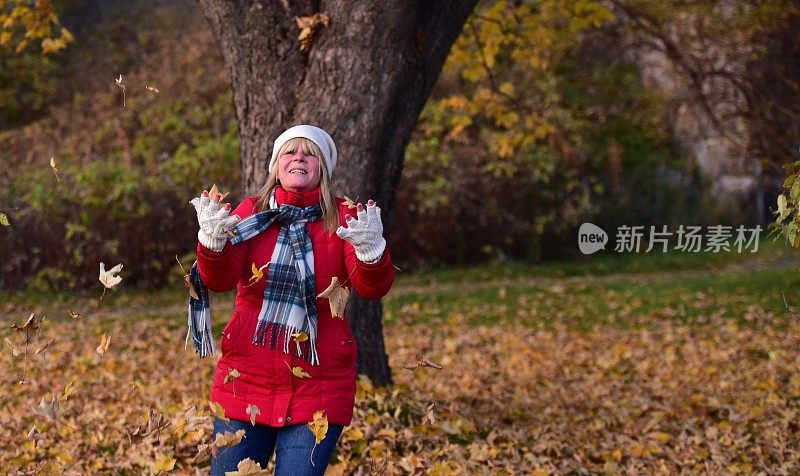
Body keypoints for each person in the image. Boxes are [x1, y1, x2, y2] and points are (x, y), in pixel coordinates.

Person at [188, 125, 395, 475]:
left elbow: (371, 288)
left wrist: (372, 251)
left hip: (320, 387)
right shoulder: (250, 212)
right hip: (244, 381)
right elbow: (219, 279)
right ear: (276, 165)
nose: (299, 157)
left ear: (323, 169)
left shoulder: (344, 218)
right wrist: (212, 245)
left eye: (310, 153)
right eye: (290, 151)